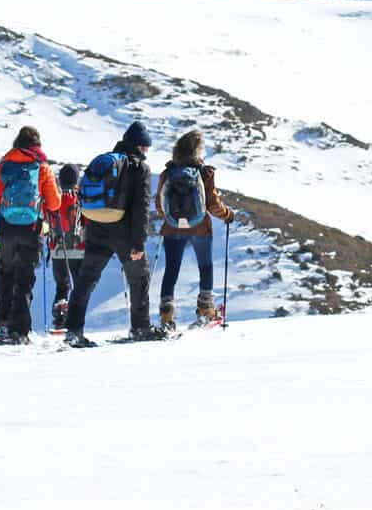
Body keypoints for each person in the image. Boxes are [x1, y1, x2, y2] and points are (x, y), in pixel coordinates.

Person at [63, 121, 157, 347]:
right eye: (145, 147)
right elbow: (141, 208)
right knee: (139, 278)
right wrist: (138, 243)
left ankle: (73, 330)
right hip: (124, 232)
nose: (146, 151)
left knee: (86, 280)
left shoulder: (106, 161)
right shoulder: (139, 168)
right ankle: (140, 327)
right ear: (140, 146)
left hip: (97, 227)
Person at [0, 127, 61, 346]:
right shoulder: (42, 167)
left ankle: (2, 323)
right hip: (32, 228)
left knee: (6, 274)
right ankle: (19, 330)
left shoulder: (5, 165)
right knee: (25, 279)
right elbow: (54, 203)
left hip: (7, 228)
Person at [155, 129, 235, 327]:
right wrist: (227, 215)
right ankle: (206, 309)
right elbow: (212, 203)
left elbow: (159, 205)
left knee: (171, 269)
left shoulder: (168, 173)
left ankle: (167, 314)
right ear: (197, 150)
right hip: (199, 228)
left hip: (172, 228)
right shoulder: (204, 172)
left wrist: (174, 218)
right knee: (205, 266)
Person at [46, 163, 84, 330]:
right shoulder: (80, 198)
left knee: (62, 286)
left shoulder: (55, 197)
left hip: (57, 250)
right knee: (78, 285)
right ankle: (74, 319)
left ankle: (59, 315)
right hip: (78, 249)